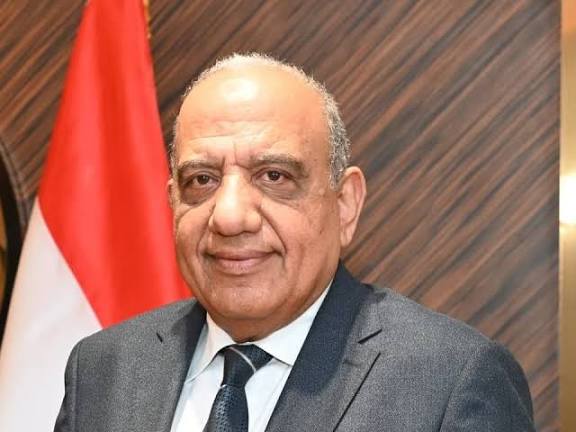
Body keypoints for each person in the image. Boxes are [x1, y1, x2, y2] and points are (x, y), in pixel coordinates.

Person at [54, 53, 535, 432]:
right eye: (202, 180)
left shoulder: (450, 382)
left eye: (274, 176)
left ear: (345, 205)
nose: (230, 216)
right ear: (172, 203)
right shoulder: (103, 369)